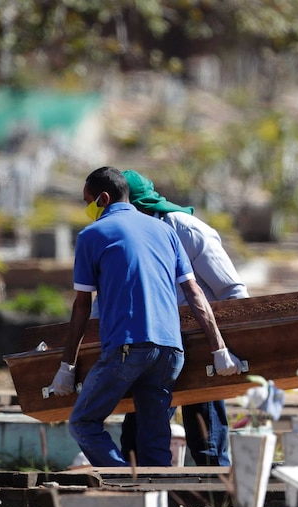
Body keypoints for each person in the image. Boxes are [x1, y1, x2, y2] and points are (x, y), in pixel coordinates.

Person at [46, 166, 243, 467]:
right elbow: (193, 293)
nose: (87, 209)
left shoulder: (102, 234)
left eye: (88, 201)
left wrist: (67, 366)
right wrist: (220, 350)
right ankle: (155, 500)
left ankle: (128, 482)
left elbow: (83, 307)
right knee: (147, 441)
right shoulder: (164, 232)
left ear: (103, 198)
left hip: (140, 348)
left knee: (84, 423)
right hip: (171, 350)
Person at [119, 169, 249, 466]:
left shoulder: (186, 230)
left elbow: (233, 292)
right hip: (153, 347)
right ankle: (145, 504)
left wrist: (226, 348)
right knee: (137, 440)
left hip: (203, 343)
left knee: (207, 442)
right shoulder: (123, 237)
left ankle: (216, 505)